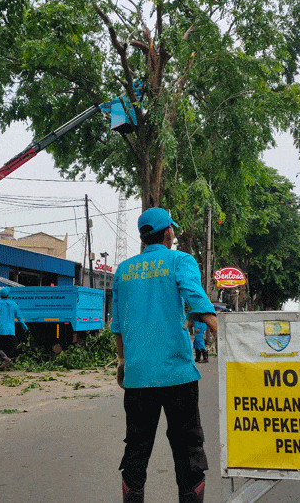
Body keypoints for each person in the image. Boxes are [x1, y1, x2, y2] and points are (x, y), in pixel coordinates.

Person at [111, 207, 218, 503]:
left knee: (136, 449)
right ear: (168, 232)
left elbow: (117, 325)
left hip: (138, 377)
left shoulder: (123, 270)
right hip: (178, 376)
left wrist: (122, 362)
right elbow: (196, 296)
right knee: (188, 450)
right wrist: (224, 333)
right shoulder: (180, 260)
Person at [0, 287, 28, 361]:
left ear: (0, 295)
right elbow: (19, 317)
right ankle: (7, 360)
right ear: (8, 295)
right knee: (10, 349)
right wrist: (24, 326)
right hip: (11, 332)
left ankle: (4, 358)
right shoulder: (13, 304)